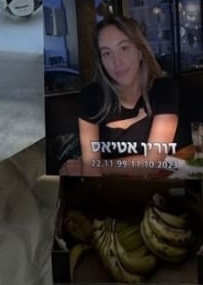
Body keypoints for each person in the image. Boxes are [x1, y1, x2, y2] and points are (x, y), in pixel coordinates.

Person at [71, 15, 180, 175]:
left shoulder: (163, 89)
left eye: (124, 48)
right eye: (107, 53)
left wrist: (98, 166)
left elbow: (153, 162)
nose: (117, 62)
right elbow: (91, 172)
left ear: (140, 51)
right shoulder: (91, 96)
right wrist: (91, 167)